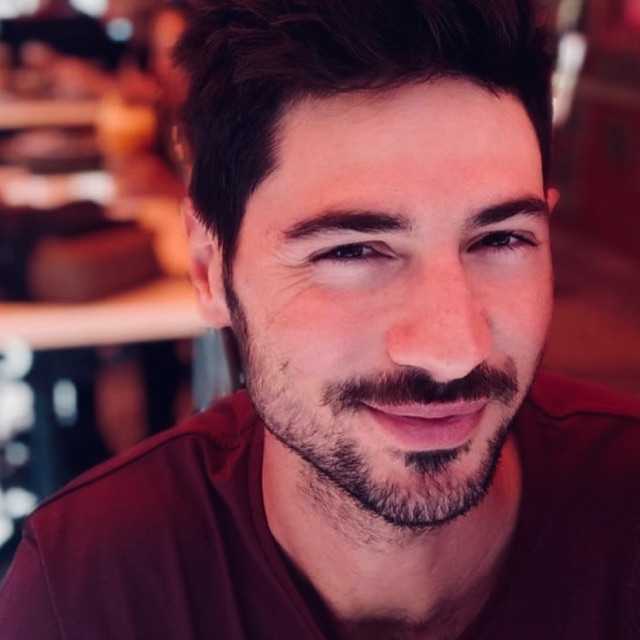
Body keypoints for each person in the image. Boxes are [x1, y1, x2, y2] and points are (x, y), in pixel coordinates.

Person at [1, 1, 639, 638]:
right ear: (209, 268)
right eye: (351, 251)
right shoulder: (86, 591)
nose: (454, 350)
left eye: (501, 239)